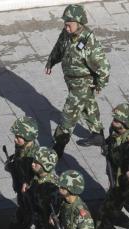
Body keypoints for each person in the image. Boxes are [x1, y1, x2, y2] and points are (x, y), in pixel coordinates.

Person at [46, 4, 110, 158]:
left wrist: (101, 83)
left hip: (82, 84)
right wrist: (51, 61)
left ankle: (58, 147)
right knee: (88, 105)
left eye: (69, 25)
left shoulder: (88, 41)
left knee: (69, 115)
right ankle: (98, 135)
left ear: (79, 23)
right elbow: (59, 47)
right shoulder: (66, 34)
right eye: (65, 24)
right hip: (71, 81)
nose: (66, 28)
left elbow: (104, 66)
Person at [0, 117, 39, 229]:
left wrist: (30, 183)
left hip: (35, 201)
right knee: (18, 226)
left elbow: (43, 176)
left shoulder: (34, 156)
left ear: (28, 138)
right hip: (24, 199)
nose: (15, 139)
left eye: (19, 137)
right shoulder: (20, 147)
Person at [95, 103, 129, 229]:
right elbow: (111, 144)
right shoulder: (114, 130)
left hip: (126, 185)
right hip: (116, 181)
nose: (114, 121)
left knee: (107, 212)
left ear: (126, 123)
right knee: (109, 211)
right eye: (114, 118)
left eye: (118, 119)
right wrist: (105, 145)